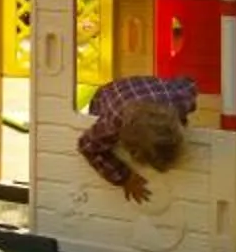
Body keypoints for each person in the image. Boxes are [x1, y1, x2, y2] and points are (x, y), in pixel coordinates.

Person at [77, 73, 197, 204]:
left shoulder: (178, 98)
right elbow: (86, 146)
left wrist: (185, 116)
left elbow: (189, 83)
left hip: (145, 89)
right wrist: (125, 177)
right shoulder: (113, 122)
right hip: (106, 95)